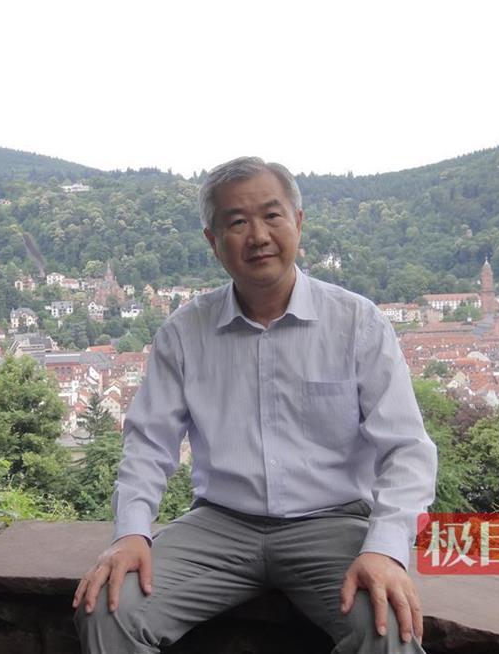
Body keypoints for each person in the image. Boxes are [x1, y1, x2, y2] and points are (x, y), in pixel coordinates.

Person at [72, 157, 438, 653]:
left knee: (387, 624)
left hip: (333, 523)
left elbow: (407, 450)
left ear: (298, 222)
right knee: (109, 607)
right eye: (238, 222)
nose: (258, 236)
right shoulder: (185, 332)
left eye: (271, 215)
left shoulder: (356, 323)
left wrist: (386, 549)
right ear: (213, 241)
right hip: (220, 524)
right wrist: (131, 533)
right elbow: (148, 444)